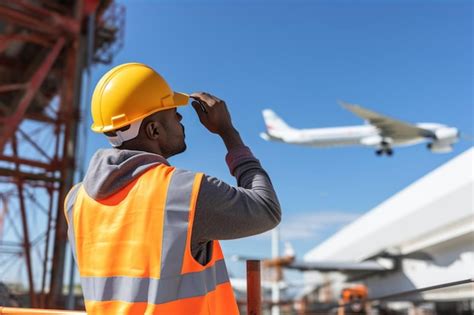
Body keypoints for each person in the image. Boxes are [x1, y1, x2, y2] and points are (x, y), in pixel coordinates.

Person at [64, 62, 281, 314]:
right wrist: (228, 132)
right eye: (173, 112)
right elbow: (266, 210)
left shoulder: (76, 201)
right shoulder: (183, 192)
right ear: (153, 129)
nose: (180, 117)